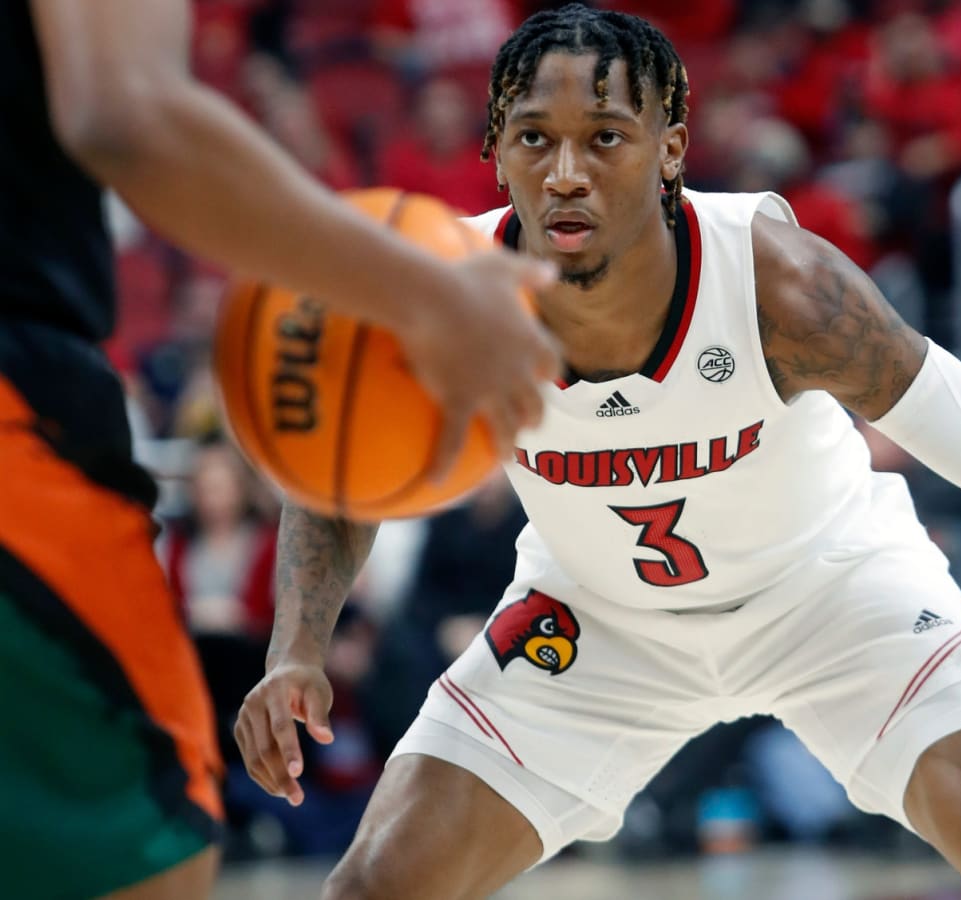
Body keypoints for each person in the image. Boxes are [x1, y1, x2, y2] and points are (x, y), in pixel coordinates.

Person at [238, 6, 961, 899]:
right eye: (532, 139)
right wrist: (295, 650)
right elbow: (334, 470)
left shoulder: (782, 287)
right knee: (372, 888)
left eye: (604, 137)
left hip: (834, 595)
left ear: (670, 150)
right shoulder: (444, 293)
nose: (565, 172)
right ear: (494, 152)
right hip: (593, 620)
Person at [0, 0, 560, 896]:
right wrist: (425, 297)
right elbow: (126, 111)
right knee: (150, 852)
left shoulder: (737, 254)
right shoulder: (464, 267)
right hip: (16, 413)